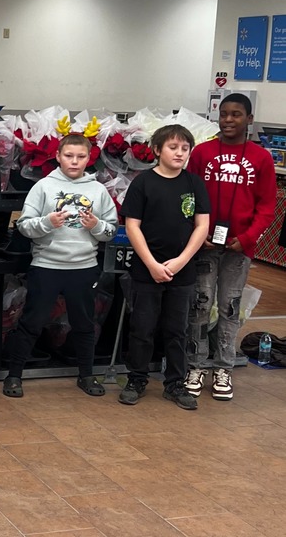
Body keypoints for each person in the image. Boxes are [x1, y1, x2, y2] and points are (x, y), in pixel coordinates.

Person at [2, 134, 116, 399]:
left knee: (84, 324)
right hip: (46, 266)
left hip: (84, 267)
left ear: (89, 159)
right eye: (68, 156)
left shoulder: (98, 190)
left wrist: (96, 226)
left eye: (80, 157)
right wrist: (46, 223)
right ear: (58, 156)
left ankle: (86, 375)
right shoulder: (43, 186)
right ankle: (14, 376)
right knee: (31, 321)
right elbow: (24, 225)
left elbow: (111, 230)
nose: (74, 162)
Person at [184, 94, 277, 402]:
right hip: (205, 245)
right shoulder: (202, 152)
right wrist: (199, 232)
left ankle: (223, 367)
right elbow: (190, 196)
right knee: (200, 304)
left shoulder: (261, 157)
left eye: (236, 114)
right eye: (224, 114)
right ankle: (195, 364)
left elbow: (266, 206)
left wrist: (247, 238)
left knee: (229, 307)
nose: (228, 120)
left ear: (249, 119)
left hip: (240, 249)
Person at [120, 124, 210, 410]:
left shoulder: (194, 183)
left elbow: (202, 225)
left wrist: (182, 260)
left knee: (177, 329)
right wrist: (151, 264)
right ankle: (136, 379)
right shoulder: (143, 183)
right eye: (173, 147)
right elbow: (132, 226)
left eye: (185, 149)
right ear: (157, 150)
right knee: (142, 328)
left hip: (182, 270)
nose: (180, 153)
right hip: (148, 269)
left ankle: (174, 383)